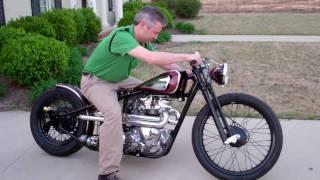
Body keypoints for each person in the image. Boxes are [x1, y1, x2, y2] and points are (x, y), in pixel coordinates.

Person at [80, 6, 201, 180]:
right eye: (155, 32)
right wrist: (186, 56)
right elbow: (152, 58)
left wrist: (187, 73)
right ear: (144, 25)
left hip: (119, 79)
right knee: (113, 115)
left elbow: (164, 63)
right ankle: (107, 172)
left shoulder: (143, 42)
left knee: (152, 90)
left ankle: (135, 135)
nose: (156, 36)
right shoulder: (122, 36)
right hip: (96, 81)